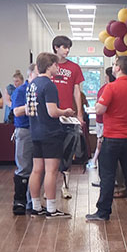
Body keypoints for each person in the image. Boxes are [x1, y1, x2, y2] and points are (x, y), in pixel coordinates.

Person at [85, 56, 127, 221]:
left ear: (118, 68)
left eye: (113, 65)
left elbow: (100, 109)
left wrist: (97, 106)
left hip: (112, 138)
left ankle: (103, 212)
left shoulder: (110, 87)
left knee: (108, 175)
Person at [27, 52, 75, 219]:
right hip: (50, 133)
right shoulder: (49, 85)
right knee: (51, 171)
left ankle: (35, 207)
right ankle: (52, 209)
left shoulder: (32, 85)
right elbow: (52, 112)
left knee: (36, 170)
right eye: (55, 65)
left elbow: (29, 110)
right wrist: (66, 111)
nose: (57, 67)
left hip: (35, 132)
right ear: (49, 66)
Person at [51, 35, 85, 199]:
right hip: (50, 116)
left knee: (67, 153)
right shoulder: (48, 66)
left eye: (68, 47)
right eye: (64, 47)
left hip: (68, 116)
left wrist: (79, 113)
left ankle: (65, 186)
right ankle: (48, 187)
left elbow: (77, 91)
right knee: (49, 154)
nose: (67, 50)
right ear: (56, 47)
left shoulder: (74, 67)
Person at [11, 64, 37, 215]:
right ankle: (19, 201)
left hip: (38, 130)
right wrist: (32, 106)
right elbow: (17, 111)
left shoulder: (41, 89)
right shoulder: (21, 91)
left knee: (37, 168)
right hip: (25, 130)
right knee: (24, 167)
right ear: (31, 74)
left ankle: (32, 200)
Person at [88, 67, 116, 169]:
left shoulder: (107, 88)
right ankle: (95, 160)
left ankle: (95, 160)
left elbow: (98, 105)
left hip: (103, 120)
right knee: (100, 141)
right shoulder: (106, 88)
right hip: (102, 120)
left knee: (101, 141)